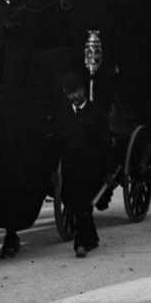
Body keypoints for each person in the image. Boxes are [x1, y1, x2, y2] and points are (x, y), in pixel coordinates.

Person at [54, 72, 111, 258]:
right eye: (69, 93)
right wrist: (54, 168)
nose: (74, 96)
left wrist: (108, 172)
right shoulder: (63, 115)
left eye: (76, 92)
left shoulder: (97, 114)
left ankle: (81, 244)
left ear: (83, 89)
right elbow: (57, 144)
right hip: (70, 169)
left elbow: (106, 146)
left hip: (91, 169)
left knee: (84, 205)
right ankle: (92, 238)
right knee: (76, 204)